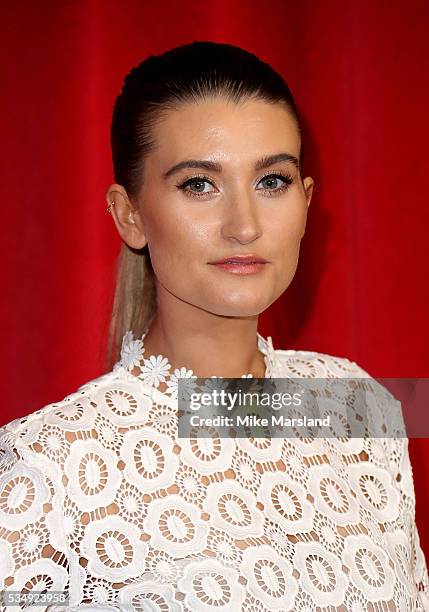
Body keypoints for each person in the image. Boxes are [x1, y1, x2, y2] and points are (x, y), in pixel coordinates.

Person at [0, 41, 428, 612]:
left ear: (306, 201)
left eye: (271, 180)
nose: (244, 226)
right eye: (199, 184)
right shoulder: (44, 465)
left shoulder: (363, 407)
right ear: (130, 215)